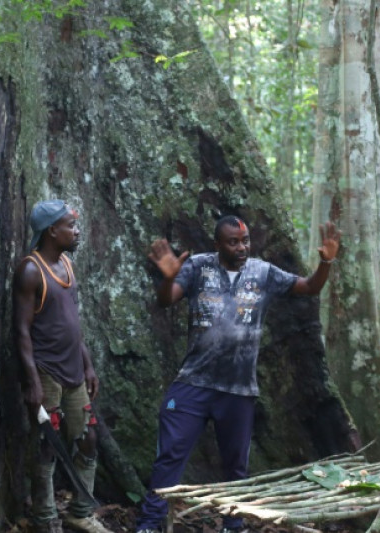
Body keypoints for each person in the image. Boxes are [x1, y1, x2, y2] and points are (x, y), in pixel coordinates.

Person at [135, 215, 342, 533]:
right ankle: (150, 523)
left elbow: (309, 287)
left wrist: (326, 261)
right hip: (194, 382)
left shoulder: (263, 272)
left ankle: (233, 525)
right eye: (233, 241)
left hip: (238, 389)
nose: (241, 247)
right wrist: (167, 278)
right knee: (170, 457)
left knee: (235, 465)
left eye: (245, 241)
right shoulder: (199, 267)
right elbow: (166, 300)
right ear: (217, 244)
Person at [13, 199, 111, 533]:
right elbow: (21, 331)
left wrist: (88, 367)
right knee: (47, 444)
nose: (77, 230)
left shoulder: (67, 264)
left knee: (88, 438)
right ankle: (45, 519)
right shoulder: (30, 270)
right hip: (47, 374)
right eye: (71, 225)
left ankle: (81, 512)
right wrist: (32, 382)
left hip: (74, 372)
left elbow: (72, 322)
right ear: (52, 231)